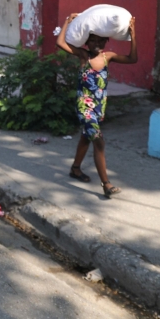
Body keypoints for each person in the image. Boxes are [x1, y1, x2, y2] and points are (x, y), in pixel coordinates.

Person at [56, 13, 138, 198]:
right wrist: (67, 21)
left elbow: (133, 59)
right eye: (93, 40)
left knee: (87, 137)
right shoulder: (83, 56)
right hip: (84, 107)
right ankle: (106, 184)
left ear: (106, 41)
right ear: (87, 42)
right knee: (99, 141)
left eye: (101, 40)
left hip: (99, 107)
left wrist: (133, 34)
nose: (97, 44)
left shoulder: (108, 57)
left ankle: (75, 169)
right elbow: (60, 43)